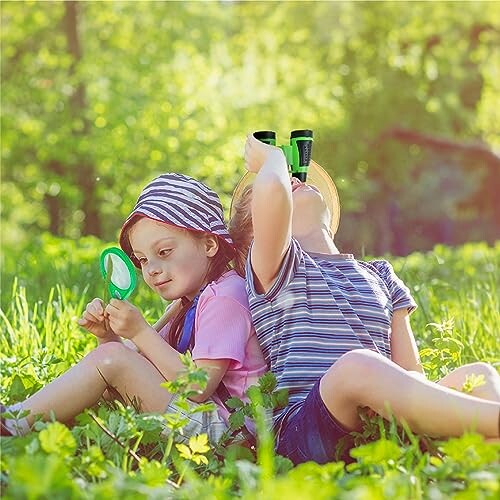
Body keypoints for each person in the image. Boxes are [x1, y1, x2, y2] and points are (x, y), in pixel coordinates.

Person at [228, 134, 500, 465]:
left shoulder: (381, 275)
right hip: (308, 433)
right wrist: (269, 162)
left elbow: (411, 376)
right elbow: (274, 197)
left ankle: (482, 465)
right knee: (357, 366)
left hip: (381, 428)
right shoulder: (276, 268)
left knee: (480, 375)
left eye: (296, 177)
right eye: (285, 181)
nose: (293, 180)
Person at [1, 173, 267, 443]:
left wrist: (139, 332)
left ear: (209, 244)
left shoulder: (225, 297)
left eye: (163, 252)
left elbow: (197, 386)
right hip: (205, 419)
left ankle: (13, 423)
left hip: (230, 435)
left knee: (113, 361)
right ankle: (25, 422)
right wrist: (108, 337)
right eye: (141, 260)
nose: (151, 270)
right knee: (109, 367)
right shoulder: (186, 304)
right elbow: (144, 367)